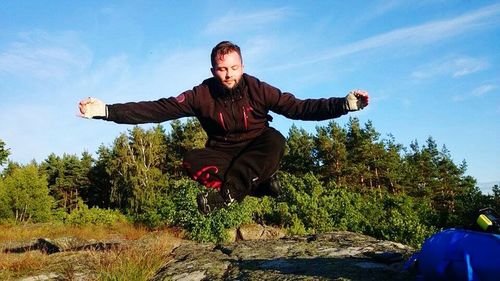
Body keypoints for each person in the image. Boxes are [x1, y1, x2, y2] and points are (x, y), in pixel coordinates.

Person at [78, 41, 369, 214]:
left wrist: (343, 105)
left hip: (257, 146)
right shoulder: (200, 95)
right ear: (213, 70)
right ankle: (262, 185)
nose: (228, 74)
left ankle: (227, 196)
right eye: (221, 69)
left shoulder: (258, 89)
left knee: (276, 140)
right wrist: (106, 111)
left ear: (241, 67)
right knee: (191, 161)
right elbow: (158, 109)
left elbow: (300, 107)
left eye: (233, 68)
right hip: (223, 153)